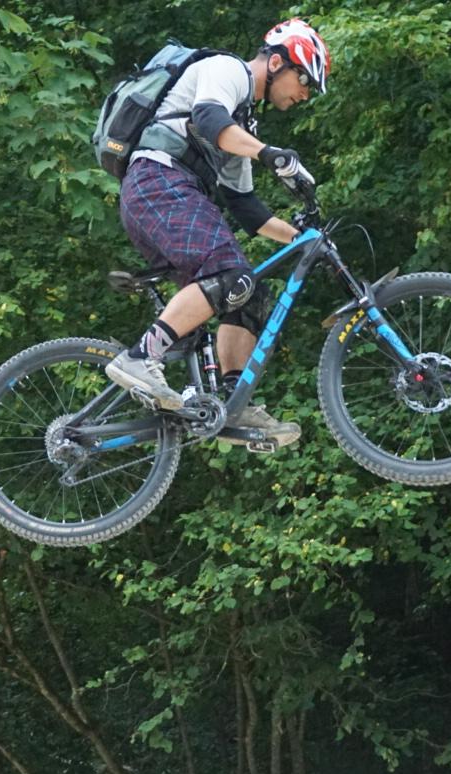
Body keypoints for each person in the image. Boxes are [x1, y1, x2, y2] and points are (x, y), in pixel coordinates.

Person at [105, 18, 330, 450]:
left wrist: (302, 240)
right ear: (277, 62)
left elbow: (245, 207)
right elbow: (208, 119)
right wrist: (270, 155)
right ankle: (139, 358)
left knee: (250, 292)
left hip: (169, 195)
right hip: (158, 182)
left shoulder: (240, 122)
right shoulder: (227, 71)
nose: (303, 93)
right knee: (230, 274)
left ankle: (230, 404)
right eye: (303, 79)